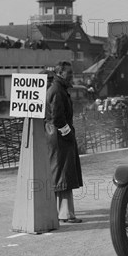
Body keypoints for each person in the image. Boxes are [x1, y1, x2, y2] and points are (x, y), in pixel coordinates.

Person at [44, 61, 83, 223]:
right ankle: (66, 214)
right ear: (60, 73)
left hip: (55, 136)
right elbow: (58, 118)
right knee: (64, 175)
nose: (72, 76)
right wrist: (68, 135)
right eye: (70, 73)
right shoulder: (58, 91)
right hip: (59, 137)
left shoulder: (57, 89)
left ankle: (57, 212)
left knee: (59, 174)